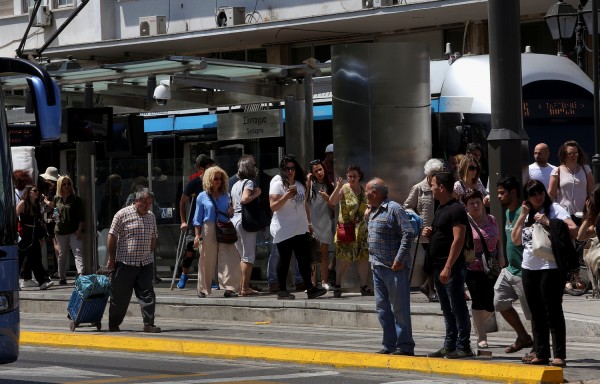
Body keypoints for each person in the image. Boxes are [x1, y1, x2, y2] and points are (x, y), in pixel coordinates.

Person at [511, 179, 577, 367]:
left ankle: (559, 355)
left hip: (551, 268)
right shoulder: (525, 213)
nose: (538, 197)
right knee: (536, 312)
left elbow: (573, 229)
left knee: (553, 311)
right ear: (527, 198)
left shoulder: (555, 209)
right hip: (529, 268)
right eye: (533, 194)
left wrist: (549, 222)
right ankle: (541, 353)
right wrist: (522, 216)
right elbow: (515, 240)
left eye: (540, 192)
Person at [423, 172, 473, 359]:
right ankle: (449, 344)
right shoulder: (441, 208)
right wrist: (431, 234)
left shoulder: (456, 209)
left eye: (433, 185)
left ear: (442, 187)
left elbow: (458, 239)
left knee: (457, 306)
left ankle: (463, 346)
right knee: (446, 307)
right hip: (437, 266)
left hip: (450, 268)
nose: (431, 188)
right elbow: (444, 235)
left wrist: (448, 267)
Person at [366, 178, 416, 356]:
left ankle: (405, 345)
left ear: (375, 193)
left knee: (399, 308)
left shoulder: (394, 208)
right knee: (382, 309)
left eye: (367, 192)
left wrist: (399, 259)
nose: (365, 195)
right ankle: (389, 344)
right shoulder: (372, 210)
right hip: (377, 266)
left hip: (394, 267)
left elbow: (408, 233)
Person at [268, 154, 327, 300]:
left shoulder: (300, 183)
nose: (290, 171)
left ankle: (310, 287)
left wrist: (309, 223)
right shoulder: (277, 183)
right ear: (282, 169)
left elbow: (304, 205)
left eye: (292, 168)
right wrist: (286, 196)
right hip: (283, 228)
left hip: (300, 227)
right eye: (287, 168)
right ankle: (282, 290)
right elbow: (273, 206)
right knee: (285, 259)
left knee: (304, 259)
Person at [107, 188, 161, 333]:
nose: (147, 205)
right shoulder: (122, 214)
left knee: (147, 294)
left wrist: (149, 253)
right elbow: (112, 236)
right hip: (125, 264)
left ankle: (149, 323)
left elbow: (154, 236)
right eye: (144, 202)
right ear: (136, 201)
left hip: (145, 263)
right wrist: (111, 259)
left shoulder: (151, 216)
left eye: (149, 203)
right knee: (120, 297)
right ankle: (114, 324)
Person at [495, 175, 534, 355]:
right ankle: (523, 336)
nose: (499, 196)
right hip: (509, 269)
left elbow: (521, 242)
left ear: (513, 192)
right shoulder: (508, 212)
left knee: (533, 314)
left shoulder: (524, 212)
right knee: (499, 301)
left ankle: (538, 347)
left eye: (502, 193)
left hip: (524, 272)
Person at [464, 190, 504, 349]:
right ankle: (482, 336)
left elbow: (499, 240)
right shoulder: (465, 222)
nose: (475, 206)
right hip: (473, 267)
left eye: (477, 202)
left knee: (493, 303)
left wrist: (501, 256)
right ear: (466, 206)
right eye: (471, 203)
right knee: (478, 301)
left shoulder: (492, 219)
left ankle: (477, 321)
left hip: (492, 267)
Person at [193, 166, 241, 298]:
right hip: (208, 228)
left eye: (221, 178)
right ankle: (202, 288)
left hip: (224, 226)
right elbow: (197, 219)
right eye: (216, 178)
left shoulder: (226, 195)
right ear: (209, 179)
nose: (219, 181)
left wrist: (231, 212)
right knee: (206, 259)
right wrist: (197, 235)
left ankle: (229, 288)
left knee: (230, 258)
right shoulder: (202, 196)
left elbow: (230, 212)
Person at [404, 158, 445, 302]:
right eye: (434, 173)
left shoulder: (443, 186)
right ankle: (431, 289)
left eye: (439, 172)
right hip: (426, 230)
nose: (436, 175)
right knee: (431, 259)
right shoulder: (419, 188)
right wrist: (416, 217)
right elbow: (407, 205)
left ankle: (427, 286)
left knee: (437, 260)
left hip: (441, 229)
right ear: (428, 173)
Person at [329, 164, 373, 298]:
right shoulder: (344, 188)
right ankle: (338, 284)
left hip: (361, 230)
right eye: (349, 176)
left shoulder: (364, 190)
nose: (352, 178)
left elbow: (369, 205)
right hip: (347, 229)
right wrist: (337, 187)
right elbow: (332, 201)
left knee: (363, 258)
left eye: (354, 176)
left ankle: (364, 285)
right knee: (345, 259)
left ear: (359, 177)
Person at [177, 154, 214, 289]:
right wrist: (183, 221)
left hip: (210, 222)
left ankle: (208, 279)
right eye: (208, 167)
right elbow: (182, 202)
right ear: (201, 168)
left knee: (207, 252)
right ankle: (184, 276)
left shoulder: (215, 182)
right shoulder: (194, 183)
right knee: (190, 251)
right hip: (195, 222)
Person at [231, 156, 262, 296]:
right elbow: (245, 199)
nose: (256, 167)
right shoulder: (249, 183)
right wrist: (256, 193)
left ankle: (242, 286)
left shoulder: (235, 184)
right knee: (248, 257)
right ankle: (244, 288)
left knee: (242, 256)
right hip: (245, 221)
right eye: (254, 165)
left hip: (235, 220)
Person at [16, 185, 53, 290]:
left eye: (38, 191)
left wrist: (41, 236)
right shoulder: (23, 203)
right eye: (35, 191)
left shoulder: (37, 205)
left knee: (36, 258)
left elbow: (42, 217)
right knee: (20, 259)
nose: (37, 192)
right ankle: (41, 280)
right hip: (25, 234)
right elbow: (15, 216)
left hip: (34, 233)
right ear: (29, 192)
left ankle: (42, 281)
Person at [548, 140, 593, 224]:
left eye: (576, 153)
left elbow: (591, 191)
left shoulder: (585, 169)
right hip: (564, 215)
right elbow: (551, 194)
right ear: (564, 155)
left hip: (583, 214)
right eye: (570, 154)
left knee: (582, 236)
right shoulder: (557, 171)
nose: (574, 156)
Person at [306, 159, 335, 289]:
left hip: (325, 222)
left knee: (324, 254)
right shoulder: (310, 186)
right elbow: (304, 201)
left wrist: (327, 198)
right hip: (312, 223)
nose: (319, 173)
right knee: (312, 255)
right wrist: (308, 181)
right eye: (315, 171)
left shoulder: (330, 186)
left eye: (320, 169)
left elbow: (334, 207)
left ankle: (324, 281)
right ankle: (312, 283)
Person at [53, 175, 85, 285]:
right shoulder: (56, 198)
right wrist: (54, 216)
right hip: (60, 230)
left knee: (78, 252)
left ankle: (81, 275)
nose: (66, 186)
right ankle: (62, 277)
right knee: (62, 254)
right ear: (60, 185)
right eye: (64, 184)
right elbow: (54, 213)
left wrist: (80, 229)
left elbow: (82, 216)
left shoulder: (76, 199)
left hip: (74, 230)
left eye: (68, 184)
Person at [39, 166, 60, 278]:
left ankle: (58, 269)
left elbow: (52, 205)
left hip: (52, 218)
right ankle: (58, 268)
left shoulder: (51, 190)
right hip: (56, 218)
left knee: (55, 242)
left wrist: (45, 200)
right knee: (55, 243)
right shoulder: (59, 187)